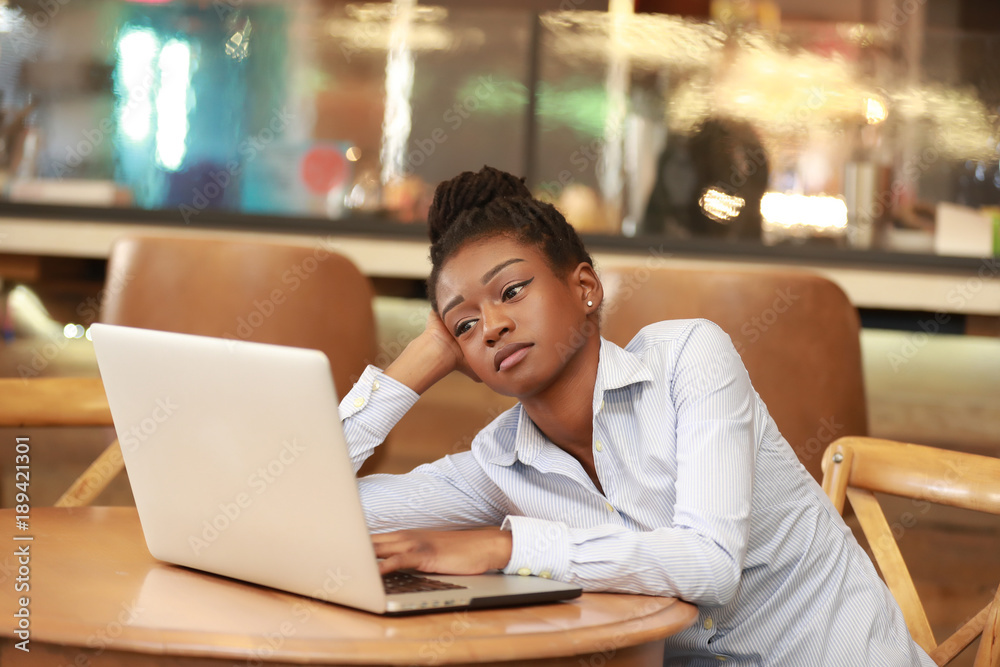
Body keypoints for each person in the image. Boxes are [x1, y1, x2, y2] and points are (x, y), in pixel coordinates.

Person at [338, 166, 934, 666]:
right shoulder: (500, 462)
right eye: (464, 324)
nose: (490, 326)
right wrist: (415, 363)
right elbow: (303, 503)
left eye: (512, 291)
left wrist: (506, 549)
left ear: (586, 288)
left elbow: (710, 565)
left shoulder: (689, 360)